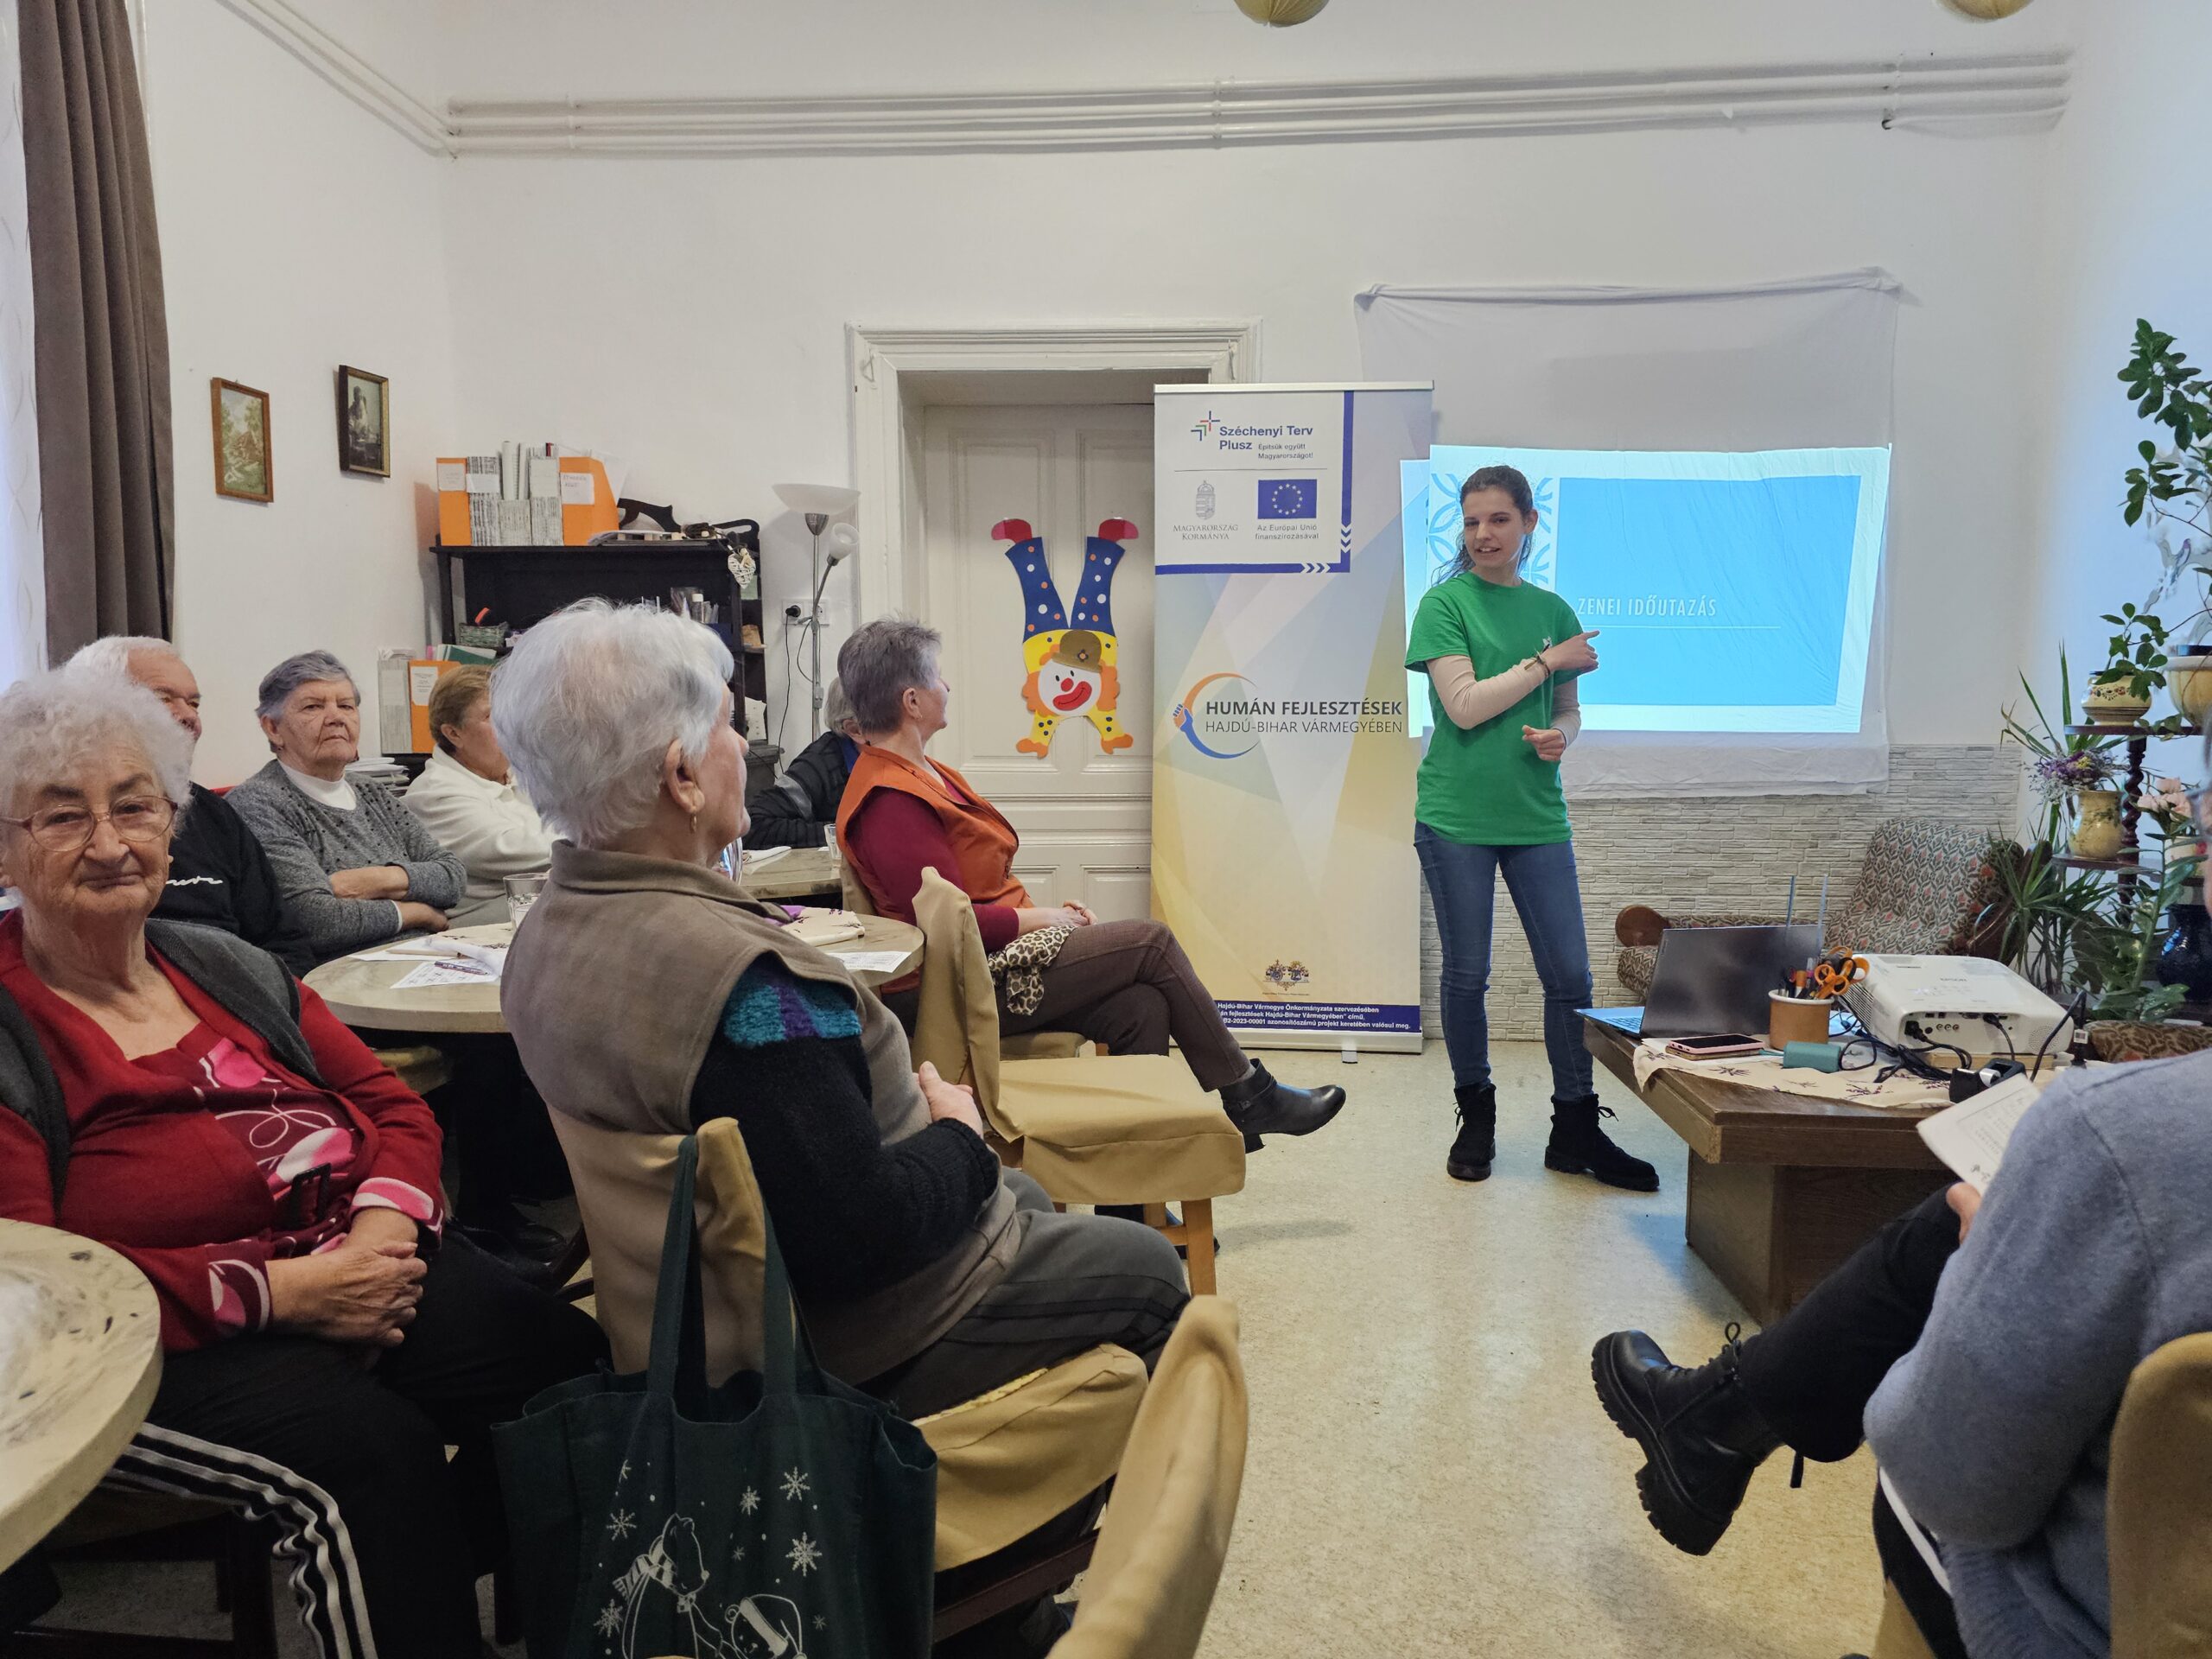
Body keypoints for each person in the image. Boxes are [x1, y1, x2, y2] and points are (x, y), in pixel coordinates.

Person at [494, 601, 1188, 1656]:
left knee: (1032, 1203)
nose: (743, 750)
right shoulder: (749, 989)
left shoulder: (546, 930)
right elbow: (860, 1240)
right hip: (838, 1335)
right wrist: (957, 1129)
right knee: (1145, 1272)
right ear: (682, 776)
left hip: (686, 1318)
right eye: (729, 727)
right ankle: (996, 1603)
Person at [0, 670, 605, 1659]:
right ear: (4, 847)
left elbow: (391, 1107)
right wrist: (286, 1295)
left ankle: (455, 1596)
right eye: (63, 817)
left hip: (352, 1257)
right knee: (377, 1463)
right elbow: (29, 1286)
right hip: (151, 1342)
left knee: (569, 1373)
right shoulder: (11, 1027)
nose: (110, 844)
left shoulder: (223, 966)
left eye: (136, 808)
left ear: (172, 824)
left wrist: (377, 1240)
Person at [1590, 1053, 2212, 1659]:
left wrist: (1980, 1286)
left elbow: (1948, 1486)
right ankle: (1714, 1423)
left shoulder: (2120, 1128)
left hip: (2071, 1624)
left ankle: (1714, 1423)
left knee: (1968, 1224)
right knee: (1966, 1219)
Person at [833, 615, 1344, 1153]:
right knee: (1152, 942)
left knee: (1141, 1006)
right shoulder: (890, 800)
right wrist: (1045, 919)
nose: (948, 686)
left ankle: (1138, 1180)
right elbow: (946, 927)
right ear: (912, 701)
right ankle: (1249, 1095)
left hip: (997, 964)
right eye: (938, 677)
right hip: (958, 990)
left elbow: (977, 894)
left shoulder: (923, 773)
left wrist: (1047, 921)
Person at [1405, 465, 1654, 1192]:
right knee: (1468, 974)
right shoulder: (1444, 604)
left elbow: (1568, 711)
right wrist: (1548, 660)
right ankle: (1476, 1118)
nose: (1483, 534)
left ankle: (1574, 1128)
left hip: (1537, 816)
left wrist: (1560, 738)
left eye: (1499, 520)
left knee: (1570, 977)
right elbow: (1464, 708)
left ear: (1529, 522)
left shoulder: (1553, 608)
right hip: (1456, 817)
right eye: (1471, 521)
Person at [62, 635, 315, 976]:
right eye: (162, 699)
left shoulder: (212, 813)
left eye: (193, 704)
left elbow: (285, 941)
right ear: (89, 708)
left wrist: (268, 1001)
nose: (188, 717)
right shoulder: (60, 827)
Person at [227, 650, 465, 964]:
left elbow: (452, 877)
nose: (336, 717)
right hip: (345, 974)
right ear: (273, 728)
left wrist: (371, 881)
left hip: (427, 958)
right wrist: (418, 912)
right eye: (313, 707)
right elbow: (317, 920)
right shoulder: (259, 804)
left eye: (346, 705)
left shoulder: (371, 791)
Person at [401, 664, 555, 926]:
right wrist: (593, 835)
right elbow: (511, 850)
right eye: (492, 716)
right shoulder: (435, 793)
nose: (509, 726)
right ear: (454, 733)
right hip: (484, 919)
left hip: (536, 903)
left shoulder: (522, 773)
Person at [744, 675, 860, 848]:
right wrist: (845, 834)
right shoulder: (819, 764)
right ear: (854, 729)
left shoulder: (886, 761)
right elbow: (755, 826)